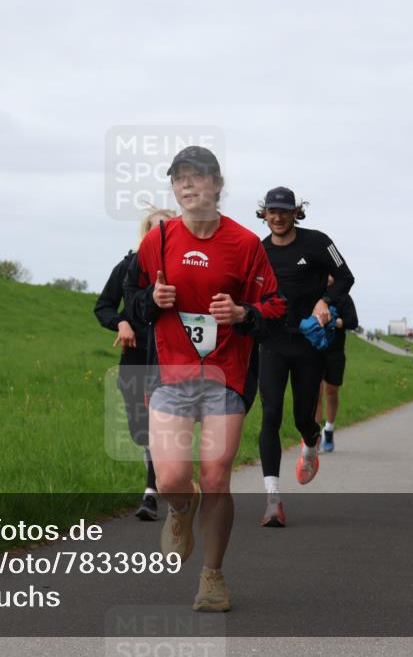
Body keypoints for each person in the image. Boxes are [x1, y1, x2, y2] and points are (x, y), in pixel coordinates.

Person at [124, 146, 285, 612]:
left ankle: (212, 577)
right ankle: (179, 508)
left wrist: (243, 314)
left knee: (216, 477)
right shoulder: (158, 240)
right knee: (174, 477)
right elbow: (130, 300)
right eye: (180, 181)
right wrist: (151, 301)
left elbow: (275, 311)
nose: (189, 187)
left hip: (226, 376)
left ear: (217, 186)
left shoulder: (245, 245)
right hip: (171, 374)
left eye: (198, 179)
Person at [255, 186, 354, 527]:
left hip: (309, 345)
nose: (278, 217)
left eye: (285, 211)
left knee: (301, 418)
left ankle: (310, 444)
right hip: (272, 342)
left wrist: (325, 300)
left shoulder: (317, 242)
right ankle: (272, 500)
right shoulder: (257, 250)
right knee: (270, 413)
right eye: (272, 211)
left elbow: (346, 275)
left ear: (296, 212)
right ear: (264, 213)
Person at [94, 207, 175, 521]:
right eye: (156, 230)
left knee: (160, 427)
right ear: (146, 233)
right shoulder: (128, 266)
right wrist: (120, 324)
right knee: (140, 430)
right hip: (135, 356)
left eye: (168, 230)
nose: (161, 236)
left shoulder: (183, 270)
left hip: (169, 359)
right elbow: (103, 306)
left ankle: (151, 493)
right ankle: (164, 482)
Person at [314, 282, 358, 453]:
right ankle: (315, 436)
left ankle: (329, 429)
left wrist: (335, 321)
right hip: (315, 350)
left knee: (331, 392)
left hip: (335, 353)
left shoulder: (343, 298)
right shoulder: (314, 293)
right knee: (315, 395)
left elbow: (353, 322)